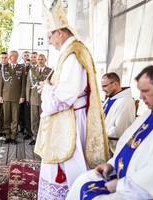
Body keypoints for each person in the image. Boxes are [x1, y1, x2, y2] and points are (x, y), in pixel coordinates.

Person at [66, 65, 153, 200]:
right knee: (81, 181)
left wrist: (121, 184)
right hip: (120, 173)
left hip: (140, 187)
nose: (140, 97)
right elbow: (128, 142)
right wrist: (111, 164)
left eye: (145, 91)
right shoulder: (152, 111)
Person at [35, 1, 108, 199]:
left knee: (70, 169)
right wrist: (49, 88)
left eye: (50, 36)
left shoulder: (74, 53)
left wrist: (47, 90)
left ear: (60, 32)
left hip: (71, 123)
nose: (49, 41)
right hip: (68, 118)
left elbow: (66, 95)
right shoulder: (71, 51)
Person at [101, 72, 136, 153]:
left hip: (113, 148)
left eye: (104, 86)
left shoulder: (126, 101)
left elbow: (119, 130)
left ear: (115, 84)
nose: (102, 89)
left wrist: (100, 135)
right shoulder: (111, 98)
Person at [0, 50, 26, 145]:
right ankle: (7, 135)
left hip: (16, 97)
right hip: (5, 96)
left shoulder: (21, 68)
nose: (9, 58)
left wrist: (22, 96)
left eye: (12, 56)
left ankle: (14, 136)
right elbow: (1, 83)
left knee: (15, 118)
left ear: (16, 57)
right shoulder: (4, 68)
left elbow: (23, 84)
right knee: (6, 117)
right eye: (9, 56)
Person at [26, 54, 52, 145]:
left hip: (45, 98)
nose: (40, 61)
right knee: (34, 118)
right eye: (39, 59)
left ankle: (44, 138)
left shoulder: (50, 71)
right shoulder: (32, 70)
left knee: (44, 118)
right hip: (34, 97)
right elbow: (28, 84)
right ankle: (35, 137)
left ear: (45, 59)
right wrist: (27, 98)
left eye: (42, 59)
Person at [0, 52, 9, 137]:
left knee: (6, 114)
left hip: (7, 94)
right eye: (2, 58)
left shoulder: (10, 67)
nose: (3, 59)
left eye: (5, 57)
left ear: (8, 58)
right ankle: (0, 130)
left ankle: (6, 130)